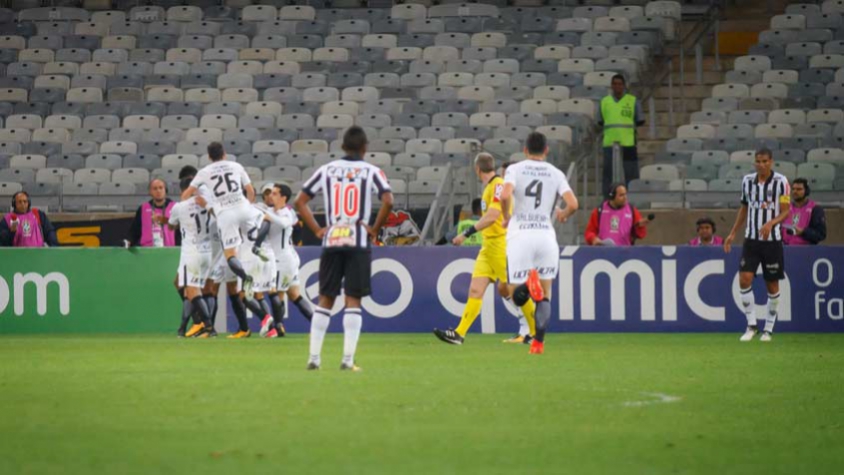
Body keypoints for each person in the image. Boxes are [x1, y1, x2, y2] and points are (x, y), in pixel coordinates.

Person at [295, 126, 394, 372]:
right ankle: (347, 360)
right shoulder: (371, 171)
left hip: (332, 240)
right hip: (358, 241)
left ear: (343, 146)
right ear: (365, 147)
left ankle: (314, 358)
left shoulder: (326, 170)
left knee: (325, 298)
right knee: (353, 299)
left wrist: (318, 230)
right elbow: (388, 200)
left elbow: (300, 201)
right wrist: (373, 228)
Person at [433, 153, 531, 346]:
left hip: (501, 244)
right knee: (476, 289)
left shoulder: (498, 185)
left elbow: (493, 216)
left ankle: (534, 332)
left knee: (514, 288)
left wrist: (465, 234)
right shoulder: (492, 186)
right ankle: (459, 334)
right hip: (488, 246)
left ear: (477, 169)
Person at [501, 132, 578, 354]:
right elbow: (573, 203)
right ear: (546, 151)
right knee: (545, 296)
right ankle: (538, 342)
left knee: (515, 293)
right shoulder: (556, 173)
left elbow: (505, 195)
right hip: (545, 236)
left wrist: (507, 217)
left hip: (521, 235)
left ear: (525, 150)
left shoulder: (515, 169)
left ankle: (527, 286)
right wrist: (563, 213)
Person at [181, 142, 270, 316]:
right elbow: (250, 190)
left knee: (230, 255)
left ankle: (246, 278)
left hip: (225, 214)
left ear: (208, 156)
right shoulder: (236, 166)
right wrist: (248, 206)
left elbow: (186, 194)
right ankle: (257, 247)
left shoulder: (204, 172)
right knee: (253, 234)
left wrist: (188, 204)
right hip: (243, 207)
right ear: (224, 154)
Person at [724, 149, 791, 343]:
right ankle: (751, 325)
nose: (760, 165)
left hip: (772, 241)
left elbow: (786, 211)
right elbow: (744, 208)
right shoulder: (747, 181)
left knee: (772, 284)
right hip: (751, 239)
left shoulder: (781, 182)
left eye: (764, 161)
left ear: (771, 162)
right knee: (744, 279)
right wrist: (733, 232)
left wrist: (771, 223)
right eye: (757, 161)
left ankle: (768, 328)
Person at [259, 183, 314, 339]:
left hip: (283, 259)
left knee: (276, 292)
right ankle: (316, 324)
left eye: (275, 193)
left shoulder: (288, 212)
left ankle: (277, 328)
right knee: (294, 294)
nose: (271, 196)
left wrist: (267, 215)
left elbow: (283, 223)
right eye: (270, 193)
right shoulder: (269, 210)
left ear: (284, 197)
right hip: (284, 257)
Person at [168, 178, 217, 338]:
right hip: (207, 251)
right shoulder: (208, 203)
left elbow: (171, 224)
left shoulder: (179, 207)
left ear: (185, 190)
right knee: (190, 289)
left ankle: (208, 326)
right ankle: (184, 328)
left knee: (192, 291)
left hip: (191, 252)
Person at [598, 74, 645, 196]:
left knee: (631, 174)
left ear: (624, 86)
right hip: (609, 143)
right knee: (608, 175)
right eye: (615, 84)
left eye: (620, 84)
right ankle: (607, 201)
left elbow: (640, 120)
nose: (617, 86)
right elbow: (600, 121)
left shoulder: (633, 101)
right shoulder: (604, 102)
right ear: (611, 86)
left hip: (628, 143)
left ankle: (632, 200)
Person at [584, 183, 650, 246]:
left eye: (625, 194)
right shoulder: (599, 210)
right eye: (621, 195)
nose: (625, 197)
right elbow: (589, 232)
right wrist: (594, 239)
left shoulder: (632, 211)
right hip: (604, 252)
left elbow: (641, 235)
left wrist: (640, 227)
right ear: (612, 196)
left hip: (625, 253)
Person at [128, 178, 177, 247]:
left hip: (169, 250)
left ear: (165, 190)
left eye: (161, 188)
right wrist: (129, 241)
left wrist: (162, 219)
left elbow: (181, 227)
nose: (158, 191)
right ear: (150, 192)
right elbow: (134, 231)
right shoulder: (143, 208)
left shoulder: (175, 207)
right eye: (155, 188)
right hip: (147, 251)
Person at [783, 178, 826, 246]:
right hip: (786, 249)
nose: (795, 191)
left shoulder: (815, 209)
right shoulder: (785, 208)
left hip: (806, 250)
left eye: (799, 189)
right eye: (793, 189)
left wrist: (803, 232)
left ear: (806, 191)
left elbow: (820, 234)